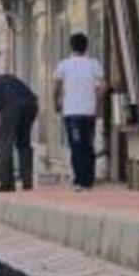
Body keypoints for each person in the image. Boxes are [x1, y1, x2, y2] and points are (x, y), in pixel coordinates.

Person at [54, 33, 105, 192]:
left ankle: (79, 180)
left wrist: (56, 102)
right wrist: (97, 101)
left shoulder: (64, 64)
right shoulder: (94, 64)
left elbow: (56, 86)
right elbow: (103, 85)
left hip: (71, 113)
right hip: (89, 112)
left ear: (71, 46)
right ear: (86, 46)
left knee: (76, 146)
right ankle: (88, 179)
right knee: (88, 145)